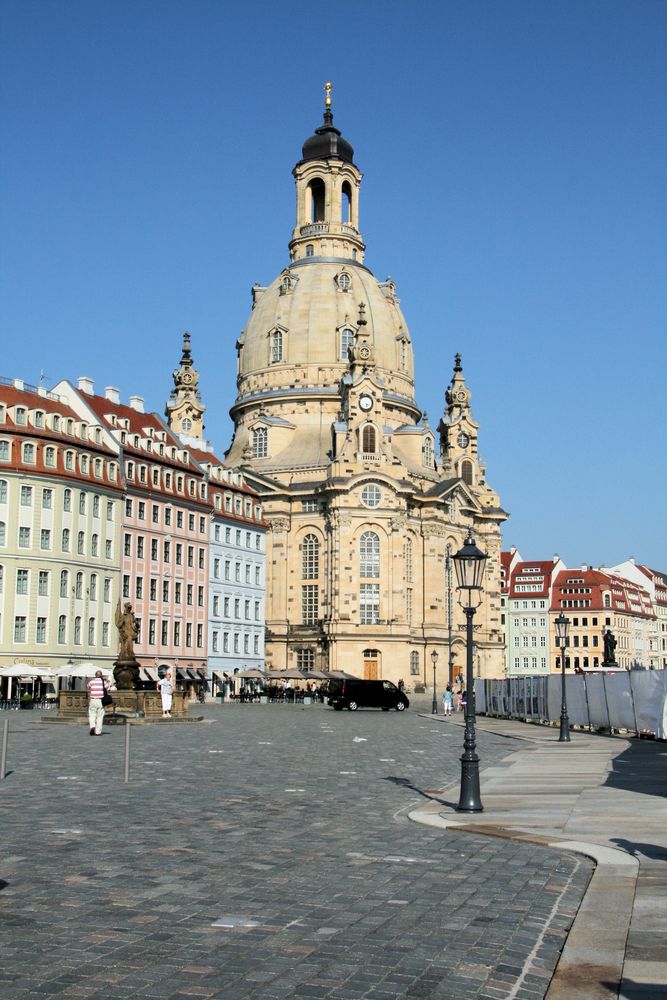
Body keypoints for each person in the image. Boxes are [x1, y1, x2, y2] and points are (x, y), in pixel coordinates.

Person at [87, 670, 110, 736]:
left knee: (92, 714)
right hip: (100, 700)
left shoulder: (91, 682)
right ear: (101, 675)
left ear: (95, 675)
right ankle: (98, 732)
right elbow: (108, 688)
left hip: (93, 700)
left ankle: (92, 726)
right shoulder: (104, 682)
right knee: (100, 716)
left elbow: (88, 687)